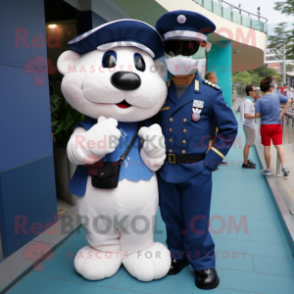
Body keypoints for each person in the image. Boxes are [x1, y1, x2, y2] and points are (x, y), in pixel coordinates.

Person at [156, 11, 238, 290]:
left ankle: (203, 262)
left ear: (200, 50)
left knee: (196, 220)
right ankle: (177, 256)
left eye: (188, 48)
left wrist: (211, 162)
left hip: (197, 170)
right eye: (173, 49)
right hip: (166, 169)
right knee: (170, 217)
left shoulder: (211, 94)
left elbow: (229, 130)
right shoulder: (156, 95)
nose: (180, 54)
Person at [255, 77, 291, 177]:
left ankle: (268, 169)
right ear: (271, 88)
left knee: (267, 148)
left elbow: (257, 115)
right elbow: (289, 101)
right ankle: (284, 166)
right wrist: (282, 113)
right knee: (279, 146)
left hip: (265, 126)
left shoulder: (260, 100)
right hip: (277, 125)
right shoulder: (277, 96)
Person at [206, 72, 228, 167]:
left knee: (215, 138)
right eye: (214, 77)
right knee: (209, 139)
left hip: (216, 118)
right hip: (209, 118)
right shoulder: (207, 90)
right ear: (210, 79)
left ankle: (215, 158)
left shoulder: (215, 90)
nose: (216, 79)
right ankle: (208, 161)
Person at [242, 85, 258, 169]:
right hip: (249, 126)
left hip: (250, 125)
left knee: (249, 143)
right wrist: (257, 116)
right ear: (250, 92)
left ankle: (246, 161)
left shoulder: (250, 101)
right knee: (248, 144)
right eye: (254, 90)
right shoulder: (248, 102)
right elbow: (246, 115)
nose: (256, 92)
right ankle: (245, 163)